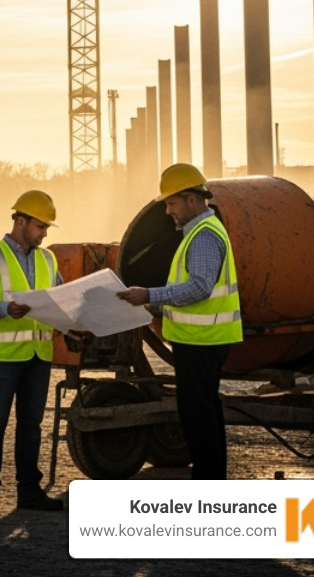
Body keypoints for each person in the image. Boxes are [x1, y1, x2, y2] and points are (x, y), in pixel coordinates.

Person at [117, 163, 241, 480]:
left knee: (198, 417)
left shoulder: (202, 236)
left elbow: (199, 287)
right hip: (203, 338)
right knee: (206, 413)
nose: (168, 211)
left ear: (191, 200)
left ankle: (208, 485)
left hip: (201, 341)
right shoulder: (201, 233)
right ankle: (212, 481)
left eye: (171, 203)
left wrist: (150, 296)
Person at [0, 190, 75, 515]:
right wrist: (4, 308)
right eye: (41, 226)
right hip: (3, 358)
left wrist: (74, 325)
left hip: (37, 356)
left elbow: (57, 302)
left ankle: (29, 493)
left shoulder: (47, 259)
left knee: (30, 426)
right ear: (20, 221)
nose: (45, 233)